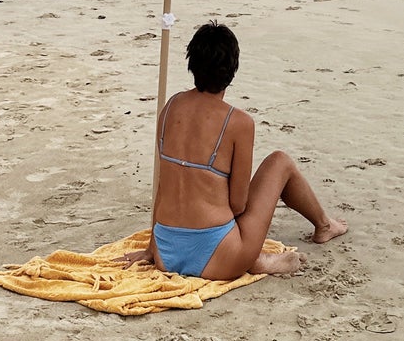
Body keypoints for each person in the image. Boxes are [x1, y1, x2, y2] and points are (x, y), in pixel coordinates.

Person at [134, 21, 347, 281]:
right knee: (280, 162)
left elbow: (162, 185)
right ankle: (322, 226)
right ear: (232, 70)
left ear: (192, 64)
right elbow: (237, 204)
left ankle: (256, 255)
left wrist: (151, 248)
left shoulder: (169, 108)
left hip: (165, 253)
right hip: (218, 257)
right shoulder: (238, 122)